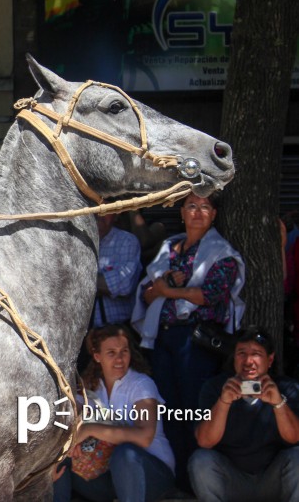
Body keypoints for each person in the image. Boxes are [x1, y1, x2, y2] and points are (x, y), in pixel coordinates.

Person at [131, 193, 245, 492]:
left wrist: (168, 291)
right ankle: (178, 480)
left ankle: (202, 481)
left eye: (204, 206)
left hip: (195, 341)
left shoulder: (221, 252)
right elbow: (147, 292)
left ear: (214, 214)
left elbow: (211, 295)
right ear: (181, 212)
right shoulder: (170, 248)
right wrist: (165, 285)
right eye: (191, 206)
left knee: (195, 409)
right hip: (163, 336)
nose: (197, 212)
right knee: (169, 410)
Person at [53, 324, 175, 502]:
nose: (119, 359)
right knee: (61, 459)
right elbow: (70, 425)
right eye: (111, 353)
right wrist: (70, 444)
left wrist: (89, 429)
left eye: (124, 351)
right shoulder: (90, 385)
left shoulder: (141, 384)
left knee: (125, 454)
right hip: (107, 475)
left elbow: (144, 437)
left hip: (151, 475)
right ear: (97, 356)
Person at [189, 327, 299, 502]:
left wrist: (278, 403)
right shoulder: (215, 387)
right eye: (241, 353)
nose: (248, 361)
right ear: (234, 357)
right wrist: (223, 402)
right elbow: (205, 441)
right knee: (200, 460)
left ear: (269, 359)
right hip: (232, 480)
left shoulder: (286, 388)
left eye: (256, 353)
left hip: (273, 480)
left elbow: (294, 438)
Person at [93, 213, 141, 327]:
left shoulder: (127, 241)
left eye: (106, 210)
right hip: (81, 333)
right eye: (96, 209)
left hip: (116, 329)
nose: (100, 215)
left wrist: (79, 282)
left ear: (116, 215)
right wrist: (101, 283)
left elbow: (124, 285)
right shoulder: (77, 241)